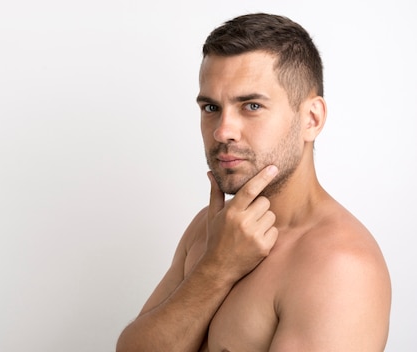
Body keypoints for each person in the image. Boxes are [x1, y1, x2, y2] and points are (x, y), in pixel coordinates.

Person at [116, 13, 391, 352]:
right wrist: (215, 269)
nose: (222, 131)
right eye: (211, 107)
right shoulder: (209, 229)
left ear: (311, 119)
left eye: (252, 105)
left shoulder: (340, 265)